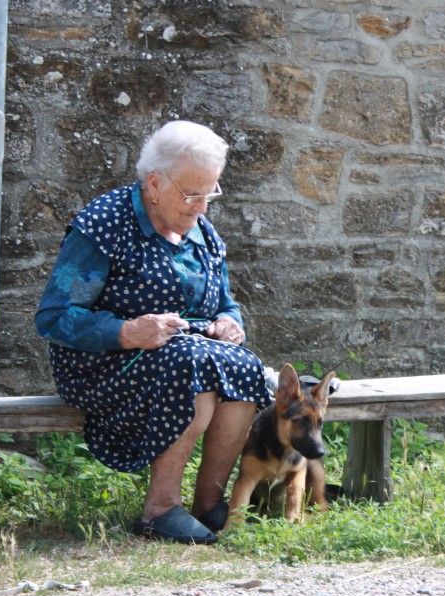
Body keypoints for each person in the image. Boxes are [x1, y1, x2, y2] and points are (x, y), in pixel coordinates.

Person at [35, 120, 272, 545]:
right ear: (155, 183)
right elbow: (54, 316)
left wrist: (230, 322)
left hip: (186, 355)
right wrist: (126, 331)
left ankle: (208, 504)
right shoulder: (104, 226)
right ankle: (160, 509)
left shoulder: (202, 232)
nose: (201, 207)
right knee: (191, 363)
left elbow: (225, 302)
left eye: (210, 193)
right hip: (103, 366)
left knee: (244, 367)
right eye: (191, 194)